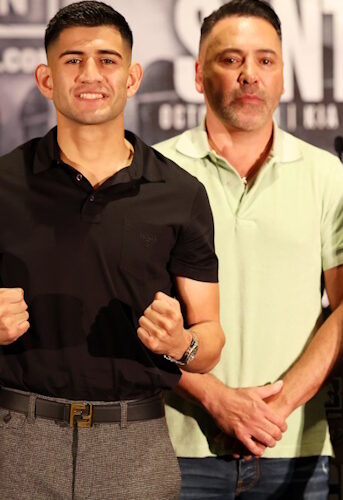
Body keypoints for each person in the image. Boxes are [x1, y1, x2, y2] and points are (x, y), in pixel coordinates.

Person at [0, 2, 225, 498]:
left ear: (132, 78)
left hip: (135, 447)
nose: (90, 74)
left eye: (107, 60)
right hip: (15, 441)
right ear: (45, 79)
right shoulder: (4, 184)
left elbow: (209, 338)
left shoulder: (180, 193)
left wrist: (180, 344)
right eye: (72, 59)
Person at [154, 0, 343, 497]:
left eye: (265, 60)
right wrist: (216, 399)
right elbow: (132, 316)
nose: (249, 74)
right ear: (198, 75)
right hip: (175, 450)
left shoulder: (325, 175)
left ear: (283, 77)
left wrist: (273, 410)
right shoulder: (152, 172)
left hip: (293, 448)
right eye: (231, 59)